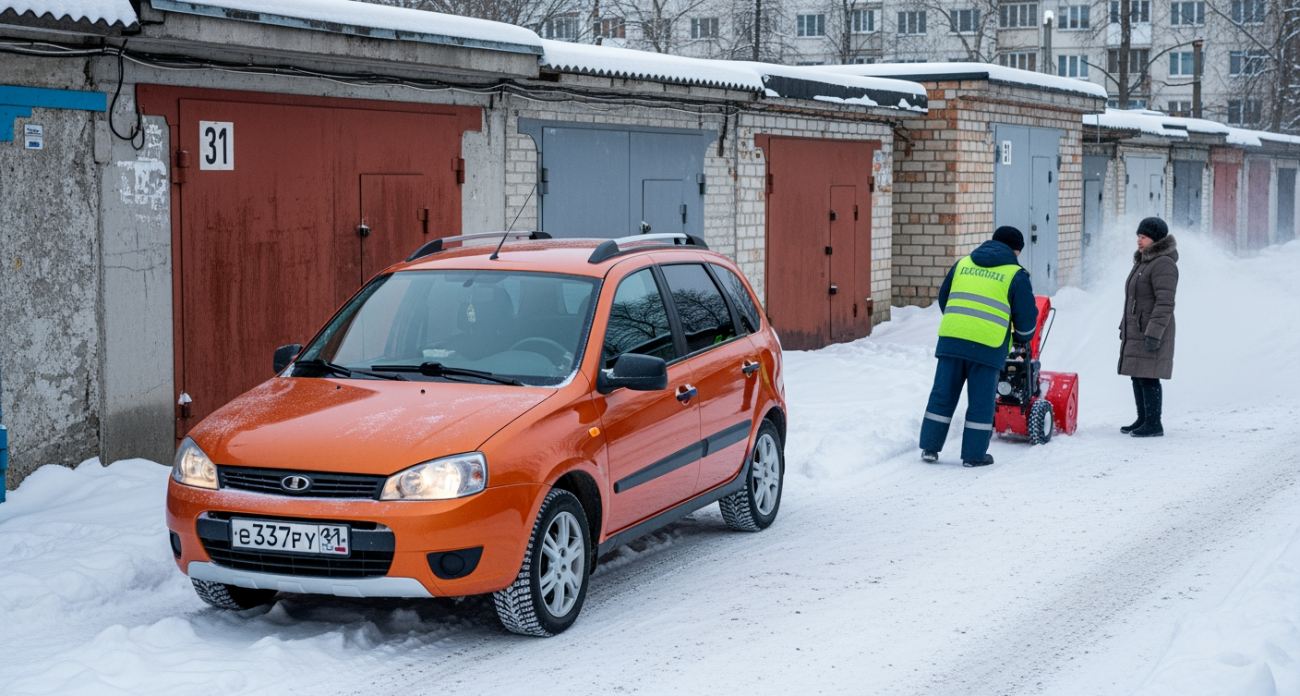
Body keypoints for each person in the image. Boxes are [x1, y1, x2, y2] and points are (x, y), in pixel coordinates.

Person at [920, 227, 1039, 467]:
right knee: (981, 403)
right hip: (987, 346)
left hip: (952, 340)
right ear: (1016, 250)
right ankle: (973, 456)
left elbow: (945, 299)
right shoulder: (1016, 274)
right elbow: (1026, 322)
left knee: (942, 396)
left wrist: (962, 324)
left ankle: (930, 448)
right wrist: (1021, 337)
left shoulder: (963, 264)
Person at [1119, 217, 1178, 437]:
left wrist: (1154, 333)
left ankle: (1154, 424)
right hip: (1138, 329)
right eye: (1138, 236)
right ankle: (1143, 419)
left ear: (1155, 239)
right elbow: (1135, 300)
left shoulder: (1163, 263)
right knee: (1138, 374)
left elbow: (1165, 303)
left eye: (1143, 236)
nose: (1139, 240)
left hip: (1153, 329)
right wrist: (1124, 326)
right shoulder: (1144, 262)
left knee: (1149, 376)